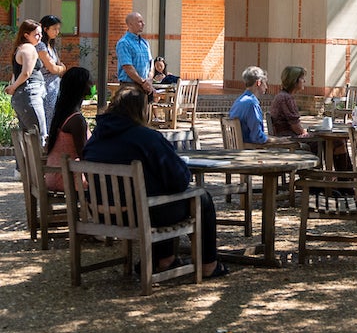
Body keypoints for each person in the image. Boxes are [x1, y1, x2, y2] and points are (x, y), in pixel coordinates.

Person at [82, 85, 227, 278]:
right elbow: (179, 179)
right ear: (141, 110)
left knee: (156, 193)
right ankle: (208, 264)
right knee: (202, 198)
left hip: (101, 212)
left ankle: (164, 259)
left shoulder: (95, 139)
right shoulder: (147, 138)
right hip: (141, 214)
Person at [44, 67, 92, 192]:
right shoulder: (76, 120)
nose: (92, 84)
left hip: (54, 176)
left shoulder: (63, 113)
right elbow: (83, 155)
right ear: (80, 86)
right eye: (89, 82)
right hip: (66, 179)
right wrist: (93, 184)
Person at [6, 20, 47, 143]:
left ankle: (25, 163)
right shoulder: (28, 48)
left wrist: (13, 86)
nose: (40, 37)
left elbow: (16, 73)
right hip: (29, 93)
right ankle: (38, 163)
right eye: (36, 34)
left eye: (40, 34)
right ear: (26, 35)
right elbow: (26, 73)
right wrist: (13, 87)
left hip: (24, 95)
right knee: (39, 135)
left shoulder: (21, 48)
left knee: (27, 137)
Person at [36, 14, 66, 129]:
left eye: (58, 29)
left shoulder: (51, 46)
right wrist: (60, 68)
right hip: (46, 86)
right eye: (54, 29)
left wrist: (60, 68)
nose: (57, 32)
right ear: (45, 29)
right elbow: (53, 68)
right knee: (48, 117)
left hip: (55, 85)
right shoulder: (41, 46)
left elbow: (59, 65)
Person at [229, 65, 270, 144]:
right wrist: (278, 140)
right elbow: (257, 137)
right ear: (258, 83)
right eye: (265, 83)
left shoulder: (239, 101)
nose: (266, 87)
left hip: (237, 147)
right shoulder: (252, 104)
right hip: (249, 151)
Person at [116, 12, 153, 95]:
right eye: (140, 22)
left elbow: (151, 63)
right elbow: (128, 67)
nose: (143, 24)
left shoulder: (145, 43)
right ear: (130, 24)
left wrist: (149, 80)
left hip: (144, 86)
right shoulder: (124, 43)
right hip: (129, 87)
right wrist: (142, 82)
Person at [269, 66, 309, 138]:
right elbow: (296, 127)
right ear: (294, 81)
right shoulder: (286, 98)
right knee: (328, 142)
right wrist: (305, 133)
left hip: (286, 137)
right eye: (302, 78)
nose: (304, 81)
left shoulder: (282, 96)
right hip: (289, 140)